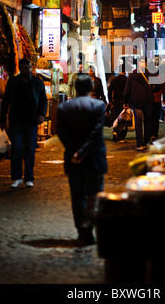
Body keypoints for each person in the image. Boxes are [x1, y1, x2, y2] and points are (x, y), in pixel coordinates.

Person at [56, 74, 107, 244]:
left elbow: (61, 131)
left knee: (77, 195)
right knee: (94, 194)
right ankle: (88, 225)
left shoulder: (64, 108)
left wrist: (75, 149)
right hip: (94, 157)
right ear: (91, 88)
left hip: (73, 158)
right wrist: (84, 150)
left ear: (76, 88)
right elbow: (96, 131)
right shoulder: (99, 106)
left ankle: (81, 230)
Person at [0, 58, 47, 188]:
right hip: (16, 121)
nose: (29, 70)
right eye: (26, 68)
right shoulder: (13, 82)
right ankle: (16, 178)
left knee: (30, 150)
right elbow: (6, 101)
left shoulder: (38, 83)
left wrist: (42, 114)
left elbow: (43, 100)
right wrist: (3, 120)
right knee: (16, 149)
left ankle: (29, 178)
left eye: (30, 67)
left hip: (32, 121)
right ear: (20, 68)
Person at [123, 56, 153, 151]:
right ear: (146, 63)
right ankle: (145, 142)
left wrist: (126, 101)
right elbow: (160, 83)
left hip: (136, 102)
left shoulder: (132, 74)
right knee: (148, 122)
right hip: (148, 101)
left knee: (138, 123)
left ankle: (139, 144)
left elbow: (127, 90)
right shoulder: (150, 73)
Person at [149, 56, 165, 140]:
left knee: (149, 118)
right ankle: (154, 134)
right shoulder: (159, 77)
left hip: (148, 101)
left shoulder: (147, 78)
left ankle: (149, 133)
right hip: (157, 101)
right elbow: (163, 90)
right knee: (156, 118)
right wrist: (164, 98)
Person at [107, 65, 128, 141]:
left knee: (116, 117)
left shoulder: (114, 80)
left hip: (116, 101)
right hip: (124, 102)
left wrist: (110, 100)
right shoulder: (127, 80)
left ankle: (115, 132)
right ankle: (122, 136)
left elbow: (109, 91)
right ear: (125, 71)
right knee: (124, 119)